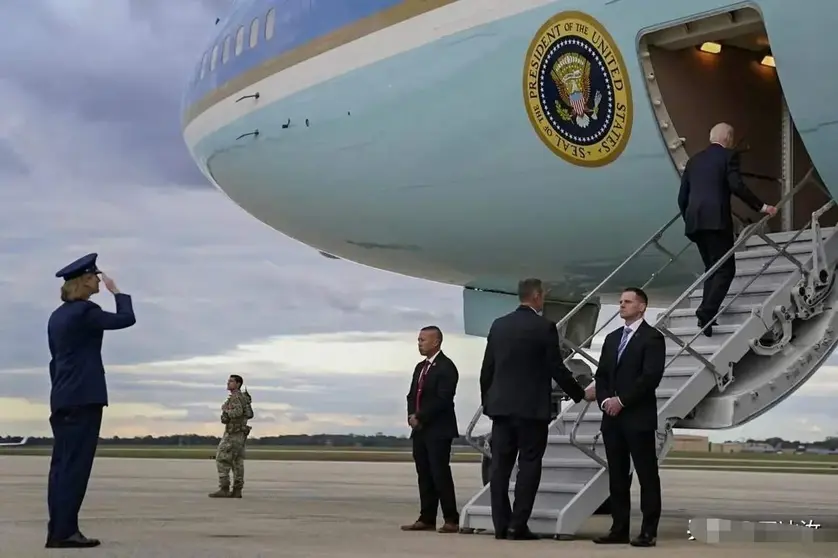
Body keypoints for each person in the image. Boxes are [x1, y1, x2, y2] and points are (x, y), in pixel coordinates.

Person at [479, 278, 594, 540]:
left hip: (502, 410)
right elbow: (557, 368)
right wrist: (580, 394)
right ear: (537, 297)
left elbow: (487, 370)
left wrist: (489, 403)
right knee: (529, 466)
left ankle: (500, 525)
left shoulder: (499, 325)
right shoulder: (544, 327)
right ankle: (517, 525)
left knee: (500, 469)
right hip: (532, 410)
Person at [45, 253, 136, 549]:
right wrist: (119, 293)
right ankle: (65, 532)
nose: (99, 279)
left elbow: (55, 361)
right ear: (84, 281)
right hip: (83, 398)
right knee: (76, 468)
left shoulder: (57, 316)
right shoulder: (85, 312)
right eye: (95, 276)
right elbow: (125, 320)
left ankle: (58, 529)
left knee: (61, 467)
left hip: (62, 397)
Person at [677, 122, 777, 336]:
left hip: (695, 223)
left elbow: (682, 196)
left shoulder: (694, 160)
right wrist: (762, 206)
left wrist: (690, 217)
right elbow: (736, 185)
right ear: (728, 139)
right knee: (725, 269)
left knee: (712, 268)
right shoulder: (729, 156)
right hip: (716, 221)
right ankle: (706, 312)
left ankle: (706, 317)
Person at [592, 287, 665, 548]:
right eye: (620, 301)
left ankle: (648, 531)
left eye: (627, 301)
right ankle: (619, 528)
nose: (621, 305)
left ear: (642, 307)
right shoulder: (612, 338)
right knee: (617, 476)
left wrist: (621, 401)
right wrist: (604, 401)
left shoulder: (652, 338)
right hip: (611, 419)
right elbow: (601, 376)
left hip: (638, 417)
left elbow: (650, 377)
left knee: (647, 475)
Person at [401, 326, 461, 534]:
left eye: (423, 340)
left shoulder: (446, 367)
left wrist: (421, 416)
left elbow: (443, 399)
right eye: (418, 340)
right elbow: (411, 395)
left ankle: (451, 519)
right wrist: (412, 416)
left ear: (436, 342)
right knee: (424, 474)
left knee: (440, 473)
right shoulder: (420, 367)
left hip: (438, 429)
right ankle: (426, 517)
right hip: (420, 430)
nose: (419, 343)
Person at [209, 374, 253, 498]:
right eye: (228, 381)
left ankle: (224, 487)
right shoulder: (244, 398)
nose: (228, 383)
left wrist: (226, 410)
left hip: (233, 433)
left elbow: (237, 412)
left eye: (231, 381)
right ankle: (237, 490)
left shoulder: (236, 398)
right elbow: (249, 414)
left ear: (238, 384)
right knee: (237, 461)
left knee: (222, 458)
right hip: (240, 434)